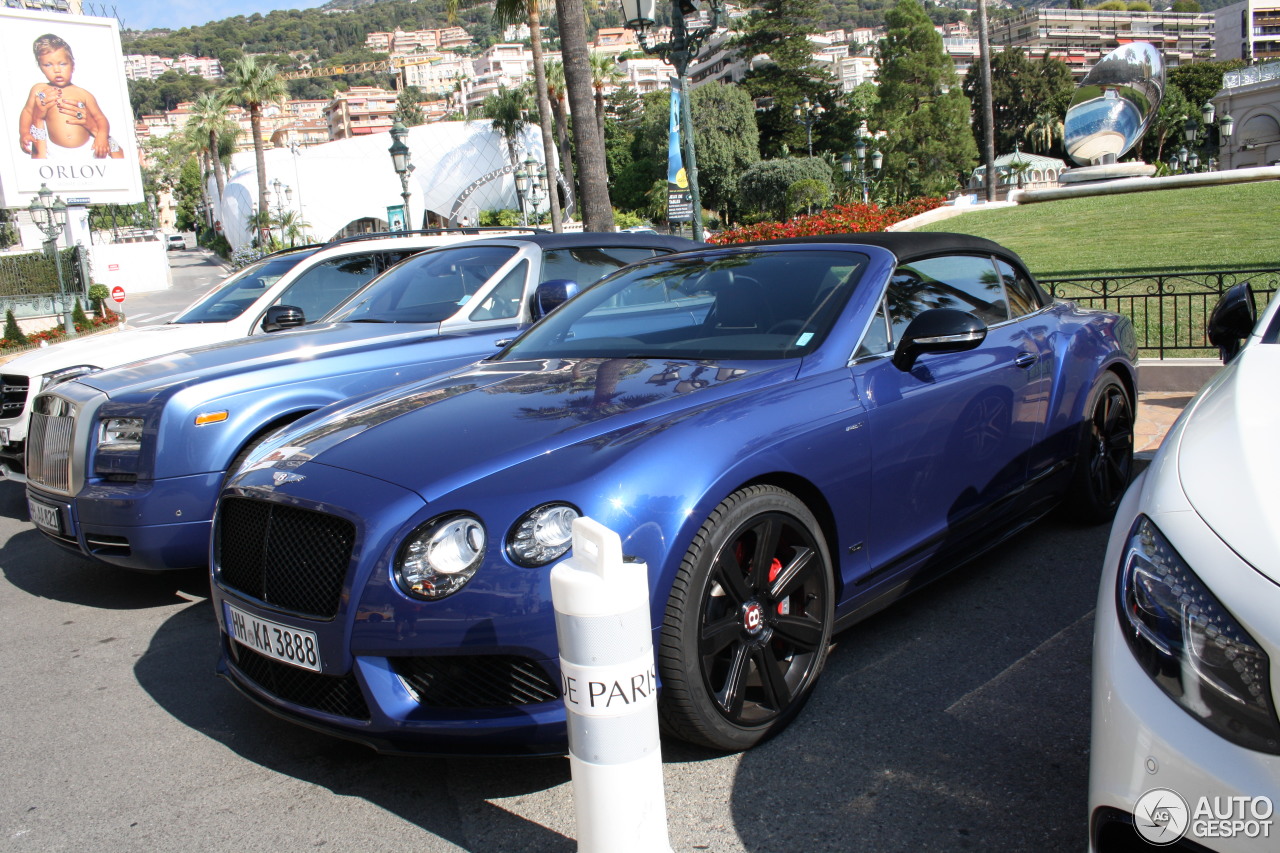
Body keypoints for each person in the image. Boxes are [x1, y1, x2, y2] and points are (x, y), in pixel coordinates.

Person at [17, 33, 123, 159]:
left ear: (72, 66)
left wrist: (102, 136)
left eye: (62, 64)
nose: (56, 70)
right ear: (40, 67)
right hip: (53, 151)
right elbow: (28, 112)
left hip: (87, 150)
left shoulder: (83, 94)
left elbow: (101, 119)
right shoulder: (40, 90)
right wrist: (24, 133)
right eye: (48, 65)